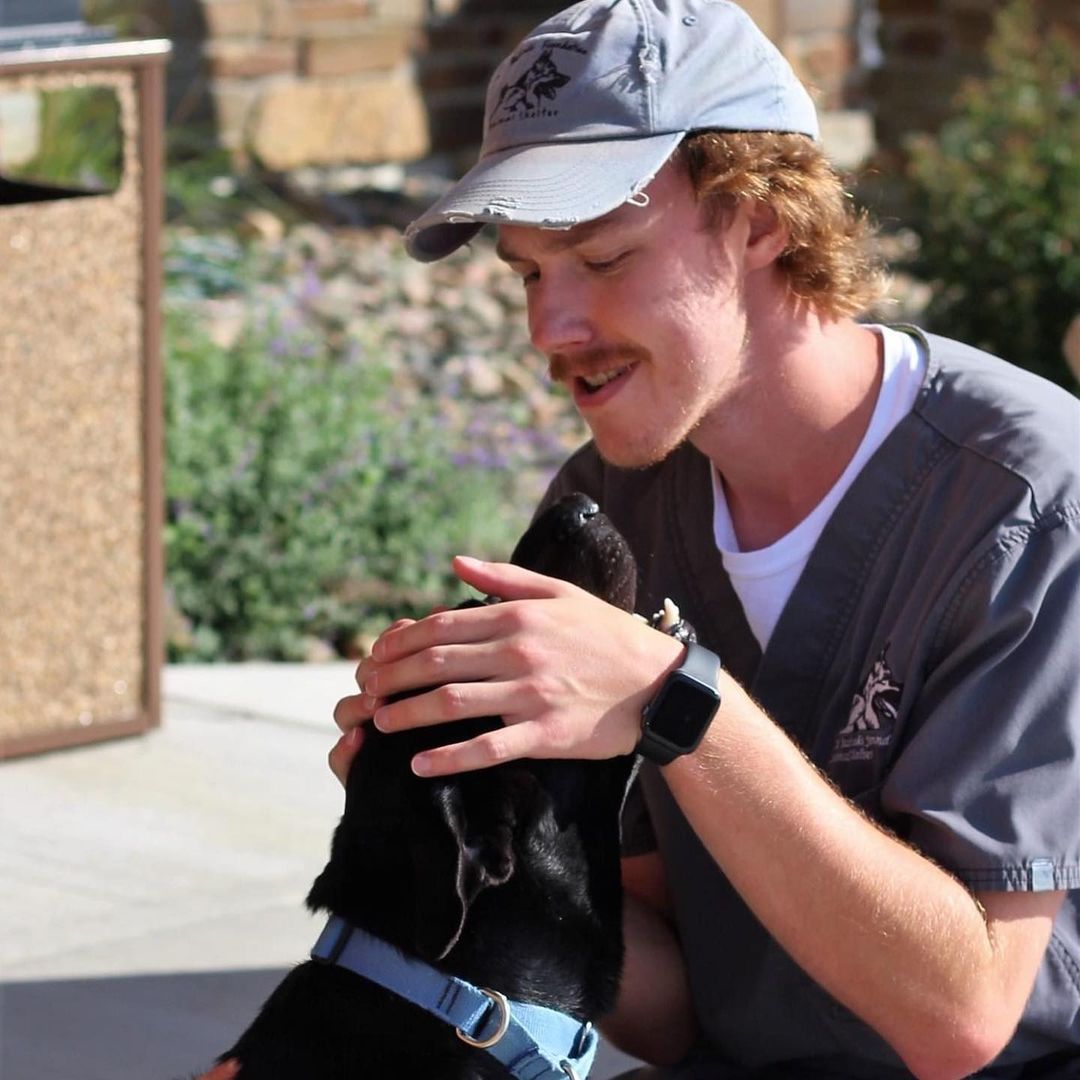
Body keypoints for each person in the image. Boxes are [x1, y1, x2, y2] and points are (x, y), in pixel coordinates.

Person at [330, 1, 1080, 1076]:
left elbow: (960, 1019)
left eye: (602, 256)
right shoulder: (615, 502)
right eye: (531, 273)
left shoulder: (1026, 501)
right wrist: (457, 834)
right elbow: (688, 1007)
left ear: (761, 216)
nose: (551, 328)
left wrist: (678, 703)